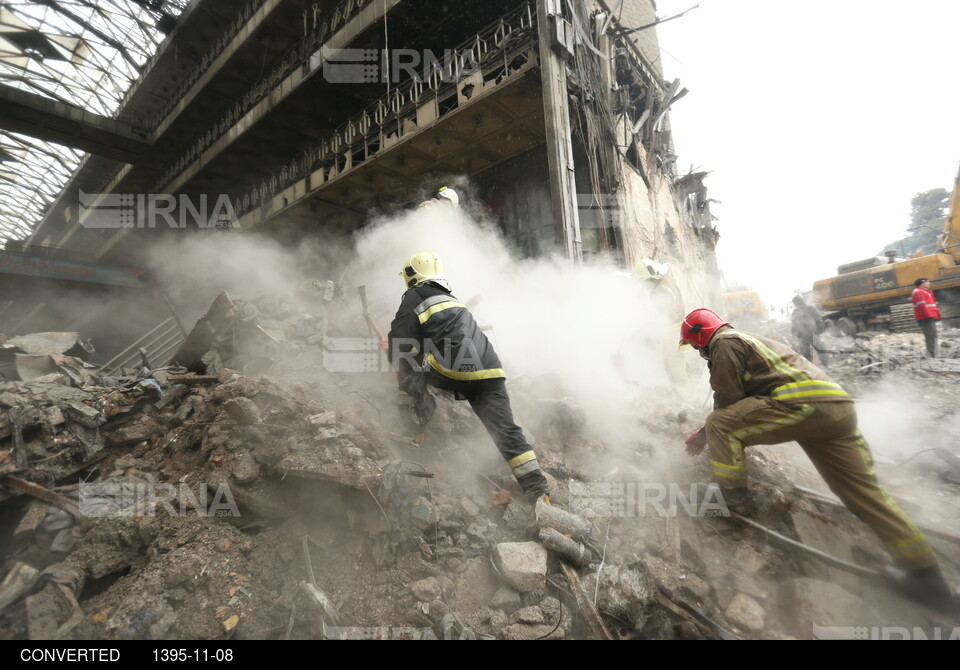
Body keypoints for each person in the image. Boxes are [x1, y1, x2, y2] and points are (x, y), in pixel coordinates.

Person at [679, 308, 955, 610]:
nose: (696, 352)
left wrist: (705, 433)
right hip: (838, 410)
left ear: (700, 337)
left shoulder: (724, 342)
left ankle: (732, 503)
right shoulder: (748, 340)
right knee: (864, 494)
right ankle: (928, 578)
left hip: (802, 406)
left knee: (719, 423)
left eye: (694, 346)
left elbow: (728, 401)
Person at [387, 250, 550, 500]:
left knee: (411, 370)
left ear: (411, 275)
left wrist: (394, 363)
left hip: (454, 365)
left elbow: (402, 340)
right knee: (507, 430)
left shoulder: (415, 295)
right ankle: (538, 489)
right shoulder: (452, 300)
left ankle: (415, 434)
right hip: (490, 370)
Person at [790, 295, 829, 365]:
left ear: (801, 301)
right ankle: (809, 365)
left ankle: (825, 364)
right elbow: (793, 324)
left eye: (798, 301)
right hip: (801, 335)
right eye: (795, 302)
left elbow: (818, 319)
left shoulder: (810, 308)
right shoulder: (795, 312)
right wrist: (794, 333)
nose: (796, 303)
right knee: (805, 352)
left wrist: (819, 330)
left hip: (812, 333)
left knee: (820, 348)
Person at [911, 278, 940, 358]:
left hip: (928, 317)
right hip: (926, 318)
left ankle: (933, 354)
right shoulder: (919, 292)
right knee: (931, 336)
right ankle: (932, 355)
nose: (929, 283)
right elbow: (922, 305)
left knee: (932, 336)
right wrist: (929, 316)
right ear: (922, 283)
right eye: (927, 282)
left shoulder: (924, 291)